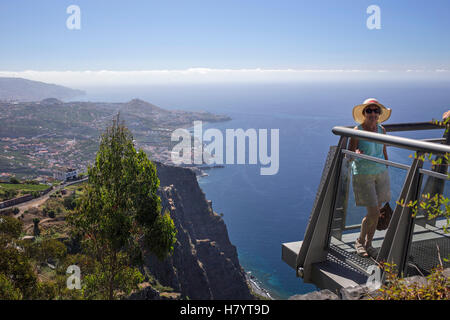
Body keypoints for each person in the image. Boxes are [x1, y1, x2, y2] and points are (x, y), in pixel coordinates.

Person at [348, 98, 392, 258]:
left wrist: (386, 165)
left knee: (376, 212)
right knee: (373, 212)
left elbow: (384, 150)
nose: (373, 114)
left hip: (380, 173)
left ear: (380, 114)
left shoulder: (382, 130)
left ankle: (369, 244)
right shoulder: (357, 130)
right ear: (364, 113)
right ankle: (360, 241)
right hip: (363, 174)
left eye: (376, 111)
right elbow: (350, 155)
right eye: (369, 110)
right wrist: (355, 154)